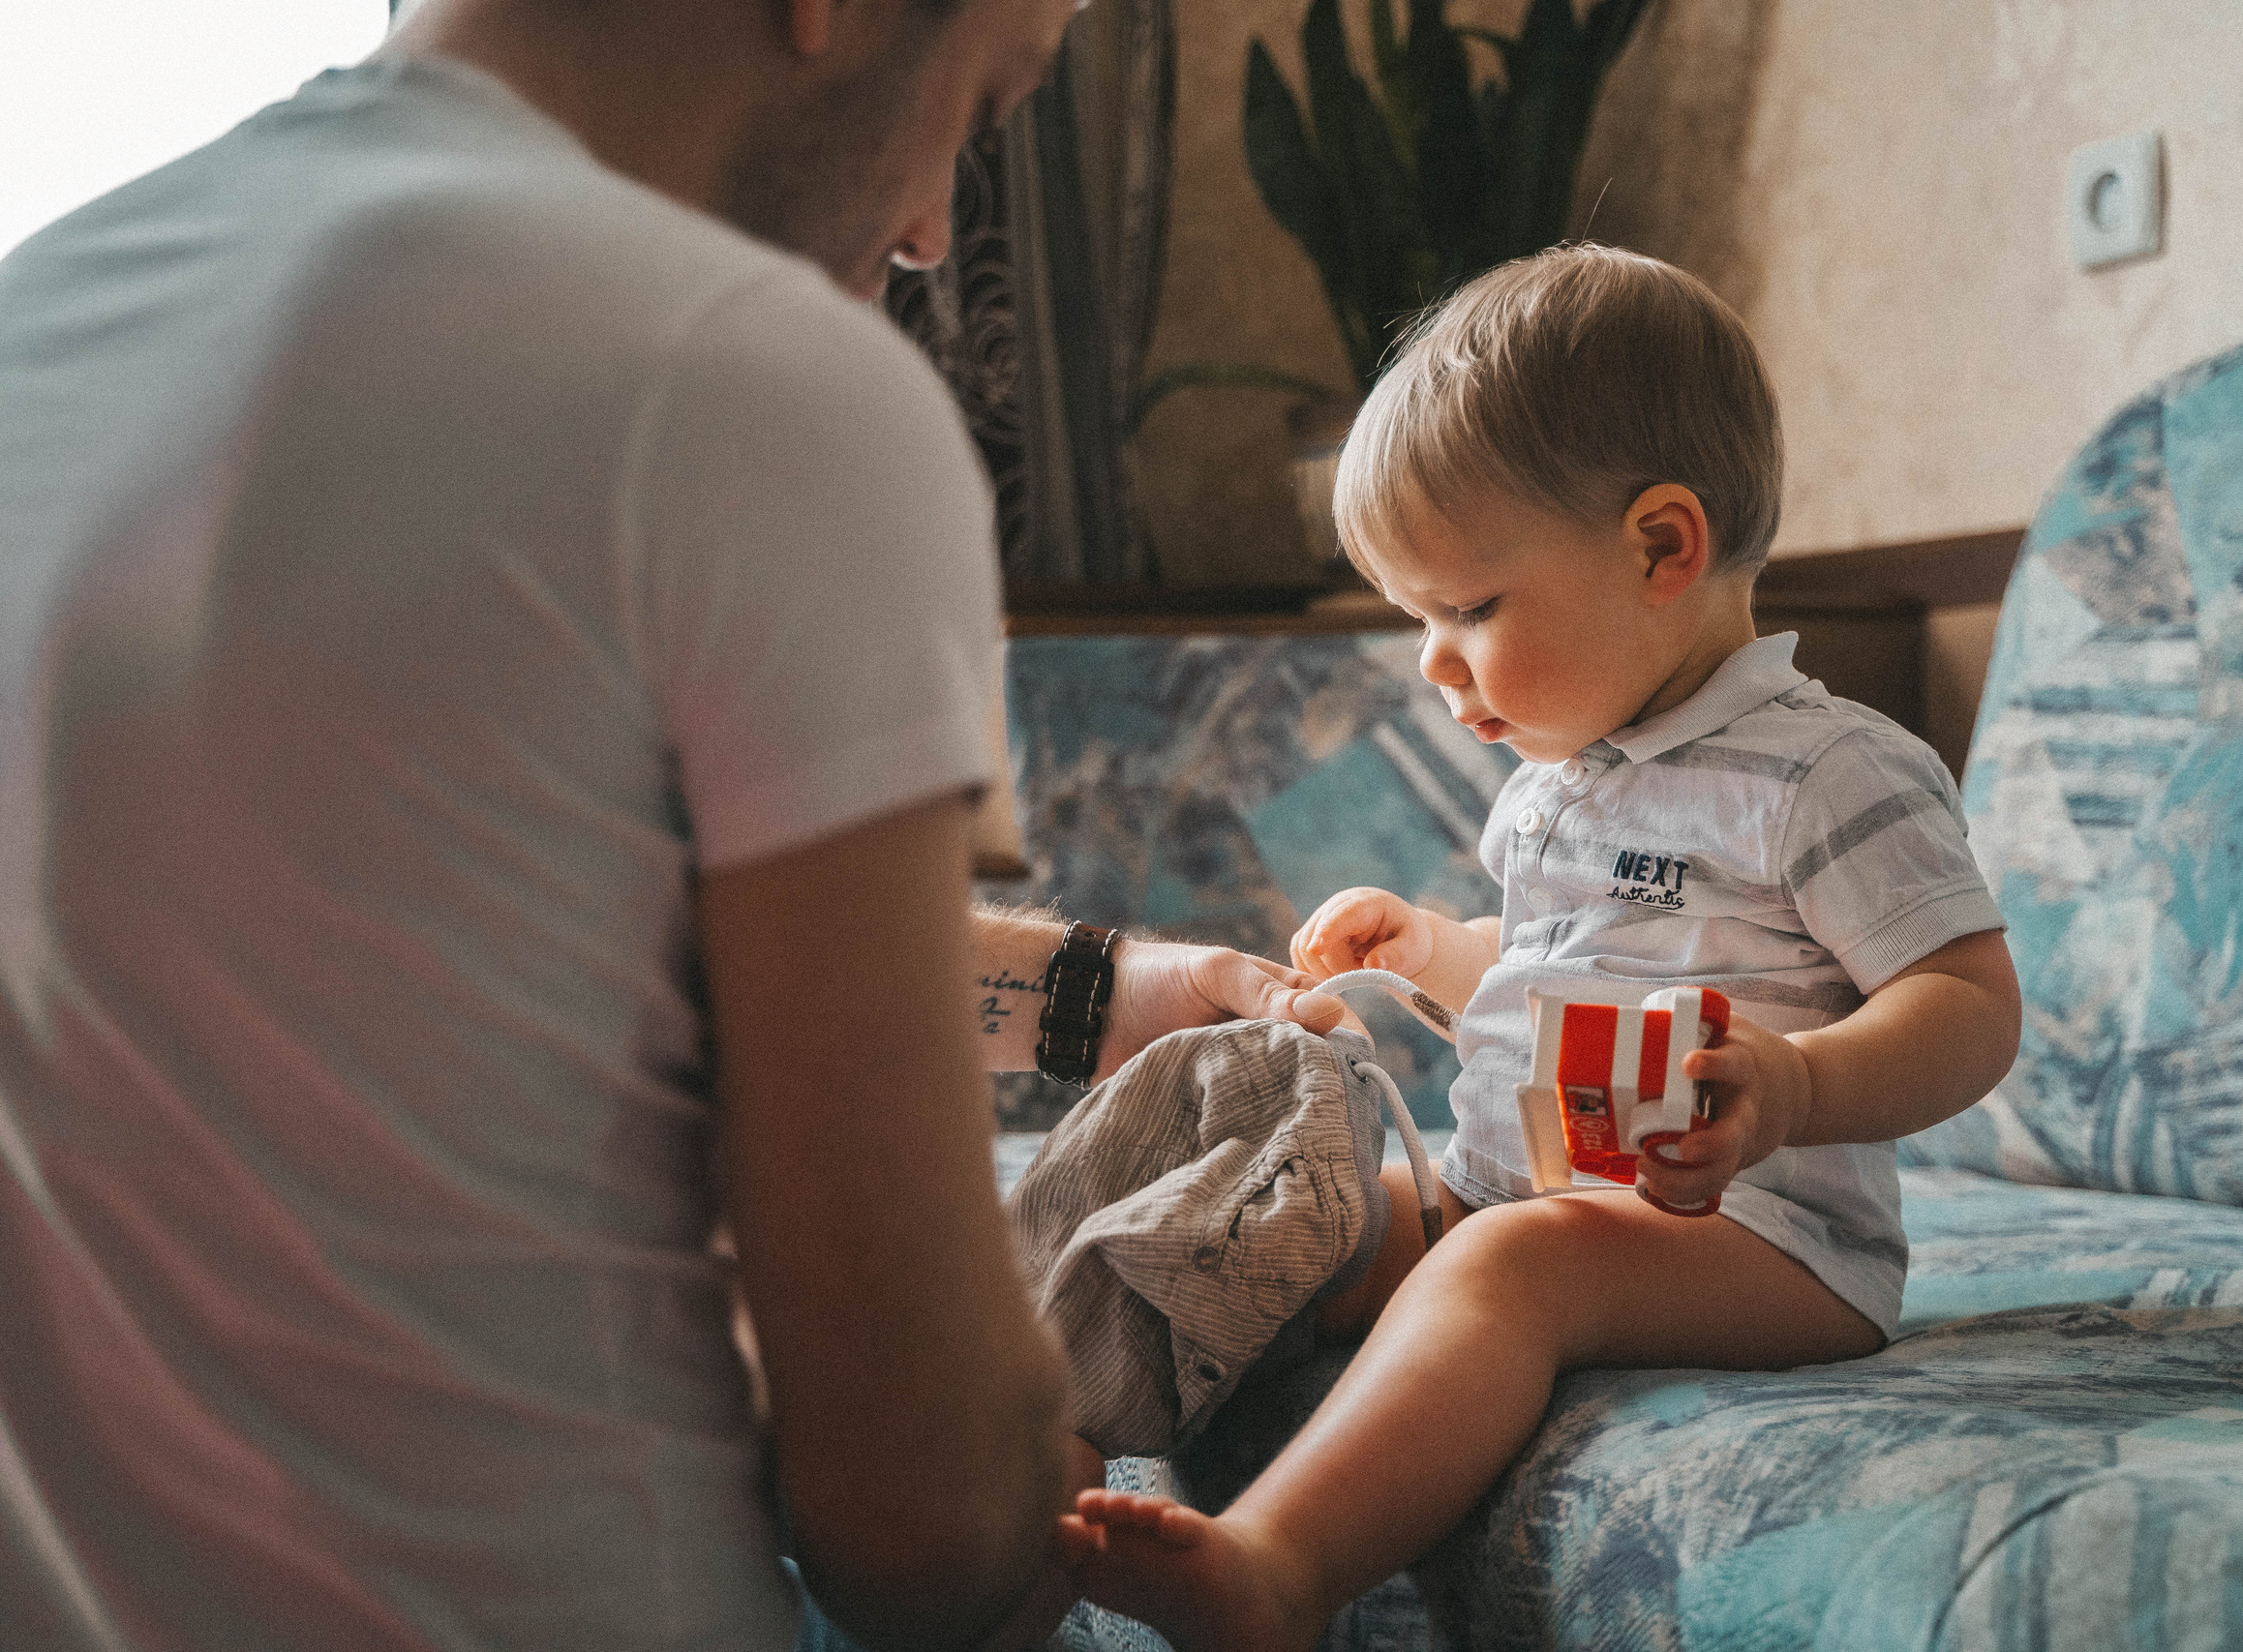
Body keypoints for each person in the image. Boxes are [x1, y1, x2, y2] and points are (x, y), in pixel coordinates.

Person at [0, 3, 1340, 1650]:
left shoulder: (46, 313)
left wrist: (1092, 997)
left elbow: (414, 907)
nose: (931, 230)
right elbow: (920, 1530)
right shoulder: (755, 386)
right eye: (985, 96)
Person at [1064, 246, 2024, 1649]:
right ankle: (1035, 1452)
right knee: (1281, 1218)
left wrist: (1801, 1088)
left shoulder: (1829, 773)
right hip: (1515, 1187)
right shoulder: (1559, 784)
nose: (1433, 665)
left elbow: (1971, 1002)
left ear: (1660, 549)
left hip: (1763, 1244)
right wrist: (1441, 952)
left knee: (1508, 1272)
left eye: (1469, 610)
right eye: (1418, 621)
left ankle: (1275, 1571)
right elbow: (1554, 979)